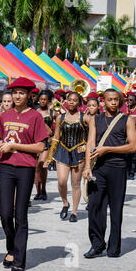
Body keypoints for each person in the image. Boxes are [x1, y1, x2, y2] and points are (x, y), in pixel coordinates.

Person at [0, 77, 47, 271]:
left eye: (22, 93)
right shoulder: (4, 116)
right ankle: (11, 248)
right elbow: (2, 140)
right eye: (14, 93)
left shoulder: (35, 117)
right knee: (5, 213)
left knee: (20, 215)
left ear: (30, 95)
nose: (17, 96)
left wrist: (15, 146)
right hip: (5, 166)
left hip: (25, 168)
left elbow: (40, 146)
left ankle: (19, 258)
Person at [82, 88, 136, 258]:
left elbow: (133, 146)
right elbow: (90, 142)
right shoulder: (95, 119)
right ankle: (97, 244)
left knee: (116, 208)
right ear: (103, 102)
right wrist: (87, 166)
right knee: (95, 207)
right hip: (98, 167)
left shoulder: (127, 120)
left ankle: (114, 246)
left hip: (118, 168)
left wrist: (107, 149)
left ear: (119, 101)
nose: (113, 102)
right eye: (109, 100)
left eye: (115, 99)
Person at [45, 92, 88, 222]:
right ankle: (65, 203)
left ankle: (74, 212)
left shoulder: (85, 117)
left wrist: (86, 148)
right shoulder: (60, 118)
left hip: (78, 151)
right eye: (69, 100)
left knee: (75, 184)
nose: (71, 102)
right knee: (62, 181)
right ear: (66, 101)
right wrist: (49, 157)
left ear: (79, 102)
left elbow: (91, 137)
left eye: (75, 100)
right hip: (62, 150)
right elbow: (56, 137)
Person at [34, 90, 55, 201]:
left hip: (47, 142)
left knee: (42, 165)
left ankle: (44, 189)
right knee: (36, 168)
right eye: (41, 99)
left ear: (48, 101)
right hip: (35, 141)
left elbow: (61, 120)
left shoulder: (52, 112)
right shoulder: (34, 111)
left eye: (44, 100)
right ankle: (38, 192)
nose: (42, 101)